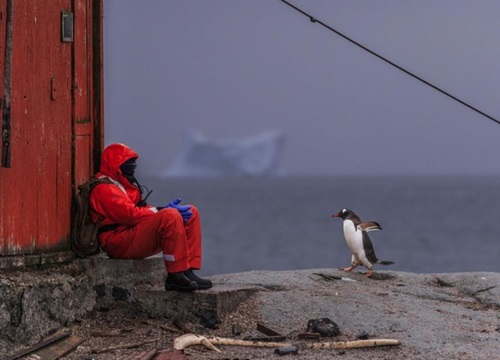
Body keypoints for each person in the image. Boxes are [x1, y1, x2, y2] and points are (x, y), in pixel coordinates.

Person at [89, 143, 212, 292]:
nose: (133, 166)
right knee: (170, 216)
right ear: (116, 165)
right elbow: (130, 215)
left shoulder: (123, 185)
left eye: (133, 162)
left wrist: (162, 209)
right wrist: (162, 210)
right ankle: (175, 276)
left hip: (131, 234)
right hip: (118, 241)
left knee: (191, 212)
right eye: (128, 162)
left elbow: (140, 210)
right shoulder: (103, 189)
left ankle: (187, 271)